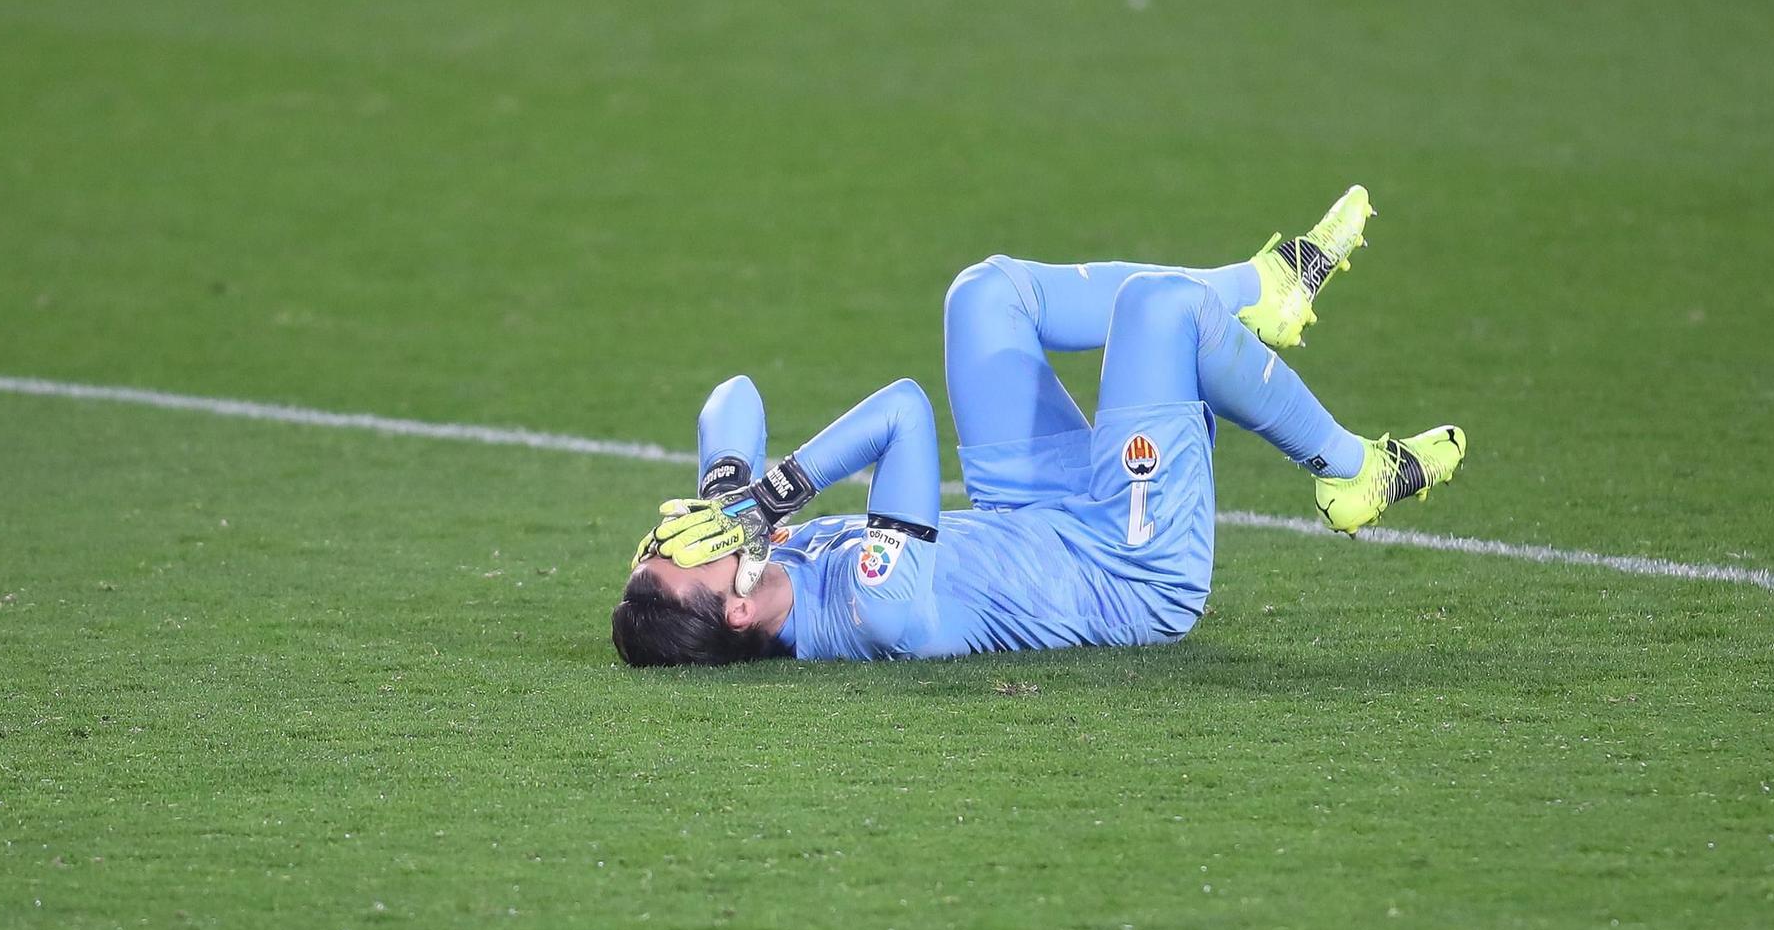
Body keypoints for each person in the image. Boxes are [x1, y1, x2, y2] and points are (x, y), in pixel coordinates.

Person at [612, 185, 1464, 667]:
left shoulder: (758, 563)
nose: (682, 542)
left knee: (984, 293)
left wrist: (724, 485)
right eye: (682, 560)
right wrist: (769, 497)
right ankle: (1355, 470)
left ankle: (1259, 285)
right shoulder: (877, 608)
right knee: (1159, 313)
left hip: (1034, 513)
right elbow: (905, 413)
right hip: (1129, 567)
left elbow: (732, 395)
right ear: (734, 612)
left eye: (661, 543)